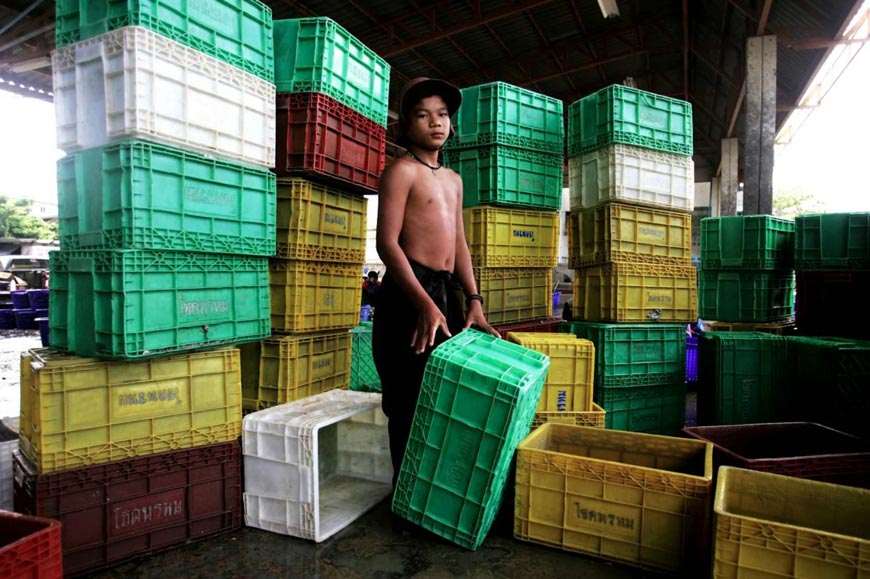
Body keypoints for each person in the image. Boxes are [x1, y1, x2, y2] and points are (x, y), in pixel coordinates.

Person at [372, 77, 499, 487]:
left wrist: (474, 299)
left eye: (442, 115)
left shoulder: (454, 180)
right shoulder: (401, 172)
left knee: (445, 394)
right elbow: (387, 244)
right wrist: (424, 302)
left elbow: (459, 242)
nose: (435, 123)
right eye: (423, 115)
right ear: (405, 126)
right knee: (407, 398)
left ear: (452, 124)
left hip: (446, 292)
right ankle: (405, 493)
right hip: (409, 293)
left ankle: (435, 489)